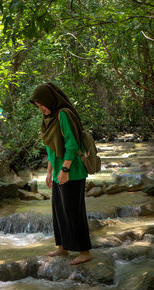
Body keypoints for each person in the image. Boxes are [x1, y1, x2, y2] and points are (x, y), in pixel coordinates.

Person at [30, 82, 92, 265]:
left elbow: (72, 145)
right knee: (58, 210)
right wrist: (49, 173)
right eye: (38, 106)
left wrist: (65, 170)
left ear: (50, 100)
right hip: (58, 171)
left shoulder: (64, 114)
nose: (41, 109)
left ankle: (85, 250)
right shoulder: (49, 119)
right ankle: (63, 247)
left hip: (72, 171)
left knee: (74, 211)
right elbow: (51, 149)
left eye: (42, 104)